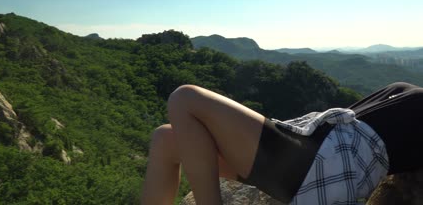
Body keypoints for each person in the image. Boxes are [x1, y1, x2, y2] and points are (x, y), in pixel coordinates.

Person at [140, 82, 423, 205]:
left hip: (322, 161)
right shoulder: (410, 93)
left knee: (185, 98)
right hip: (309, 150)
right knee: (165, 138)